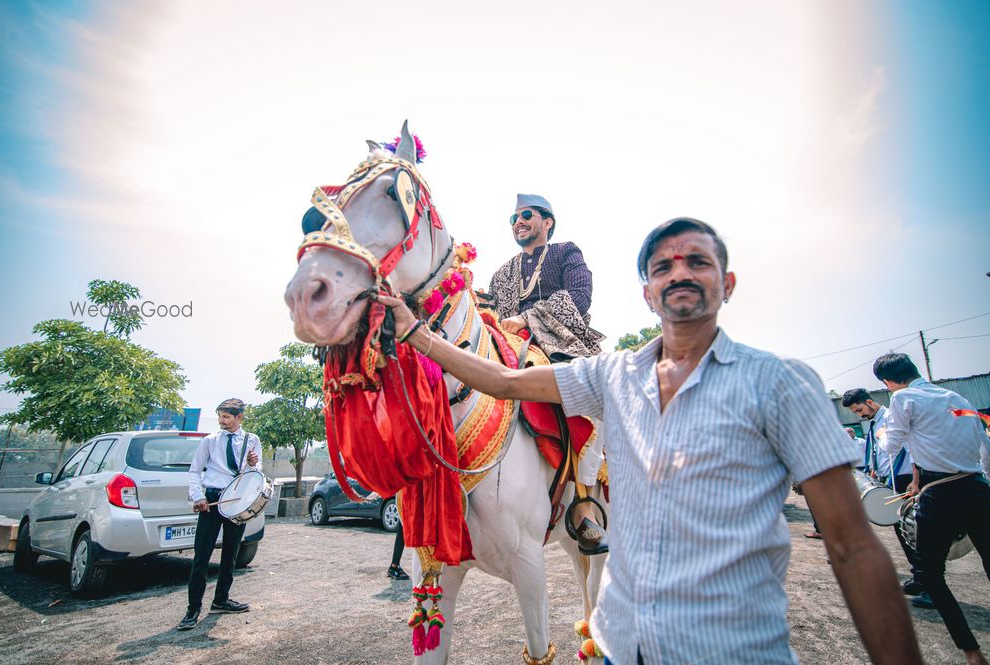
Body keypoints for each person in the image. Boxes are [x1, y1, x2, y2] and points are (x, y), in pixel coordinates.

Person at [378, 217, 921, 664]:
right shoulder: (614, 376)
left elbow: (852, 546)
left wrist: (530, 319)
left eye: (698, 262)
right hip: (622, 643)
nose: (679, 273)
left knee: (577, 427)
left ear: (727, 284)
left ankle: (583, 499)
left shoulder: (782, 383)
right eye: (664, 266)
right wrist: (418, 331)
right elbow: (499, 382)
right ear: (647, 292)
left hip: (731, 651)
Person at [486, 193, 607, 555]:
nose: (518, 221)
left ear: (547, 222)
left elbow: (580, 297)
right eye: (513, 218)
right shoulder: (502, 273)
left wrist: (527, 318)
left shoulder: (566, 253)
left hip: (560, 346)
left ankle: (585, 501)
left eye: (526, 215)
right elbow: (489, 308)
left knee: (592, 398)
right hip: (508, 348)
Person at [875, 353, 990, 665]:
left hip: (940, 495)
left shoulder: (902, 399)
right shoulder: (956, 396)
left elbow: (892, 447)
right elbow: (985, 449)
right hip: (978, 487)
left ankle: (972, 652)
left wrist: (884, 434)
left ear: (887, 382)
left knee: (931, 576)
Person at [177, 398, 262, 631]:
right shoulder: (210, 441)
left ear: (239, 417)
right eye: (220, 417)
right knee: (201, 556)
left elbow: (255, 475)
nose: (222, 421)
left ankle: (221, 600)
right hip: (213, 500)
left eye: (226, 417)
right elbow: (195, 470)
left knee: (231, 554)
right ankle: (192, 609)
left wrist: (253, 464)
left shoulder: (251, 440)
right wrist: (198, 497)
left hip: (237, 502)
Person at [841, 388, 928, 603]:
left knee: (914, 532)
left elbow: (913, 449)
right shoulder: (872, 424)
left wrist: (916, 481)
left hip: (905, 480)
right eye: (855, 412)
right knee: (901, 531)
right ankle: (919, 578)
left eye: (859, 409)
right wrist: (874, 469)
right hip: (889, 478)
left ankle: (929, 585)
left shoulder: (891, 418)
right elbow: (880, 451)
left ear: (870, 402)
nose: (858, 415)